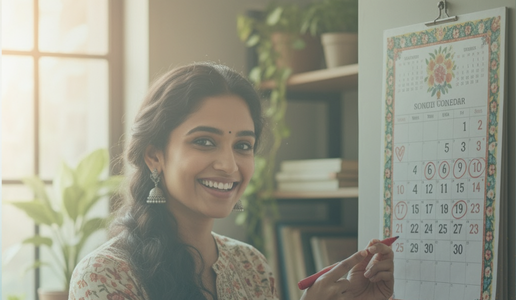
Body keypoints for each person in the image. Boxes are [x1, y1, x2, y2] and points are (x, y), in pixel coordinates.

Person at [68, 62, 393, 300]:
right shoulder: (106, 275)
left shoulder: (251, 265)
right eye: (204, 141)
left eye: (243, 146)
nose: (229, 165)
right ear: (154, 155)